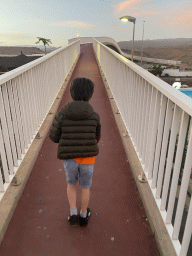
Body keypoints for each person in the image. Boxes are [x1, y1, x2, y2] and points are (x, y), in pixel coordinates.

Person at [49, 77, 101, 227]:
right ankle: (84, 216)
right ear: (90, 94)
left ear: (71, 92)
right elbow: (96, 137)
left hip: (69, 158)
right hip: (88, 158)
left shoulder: (62, 113)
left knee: (71, 184)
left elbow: (53, 136)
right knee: (85, 186)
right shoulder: (94, 115)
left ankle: (73, 214)